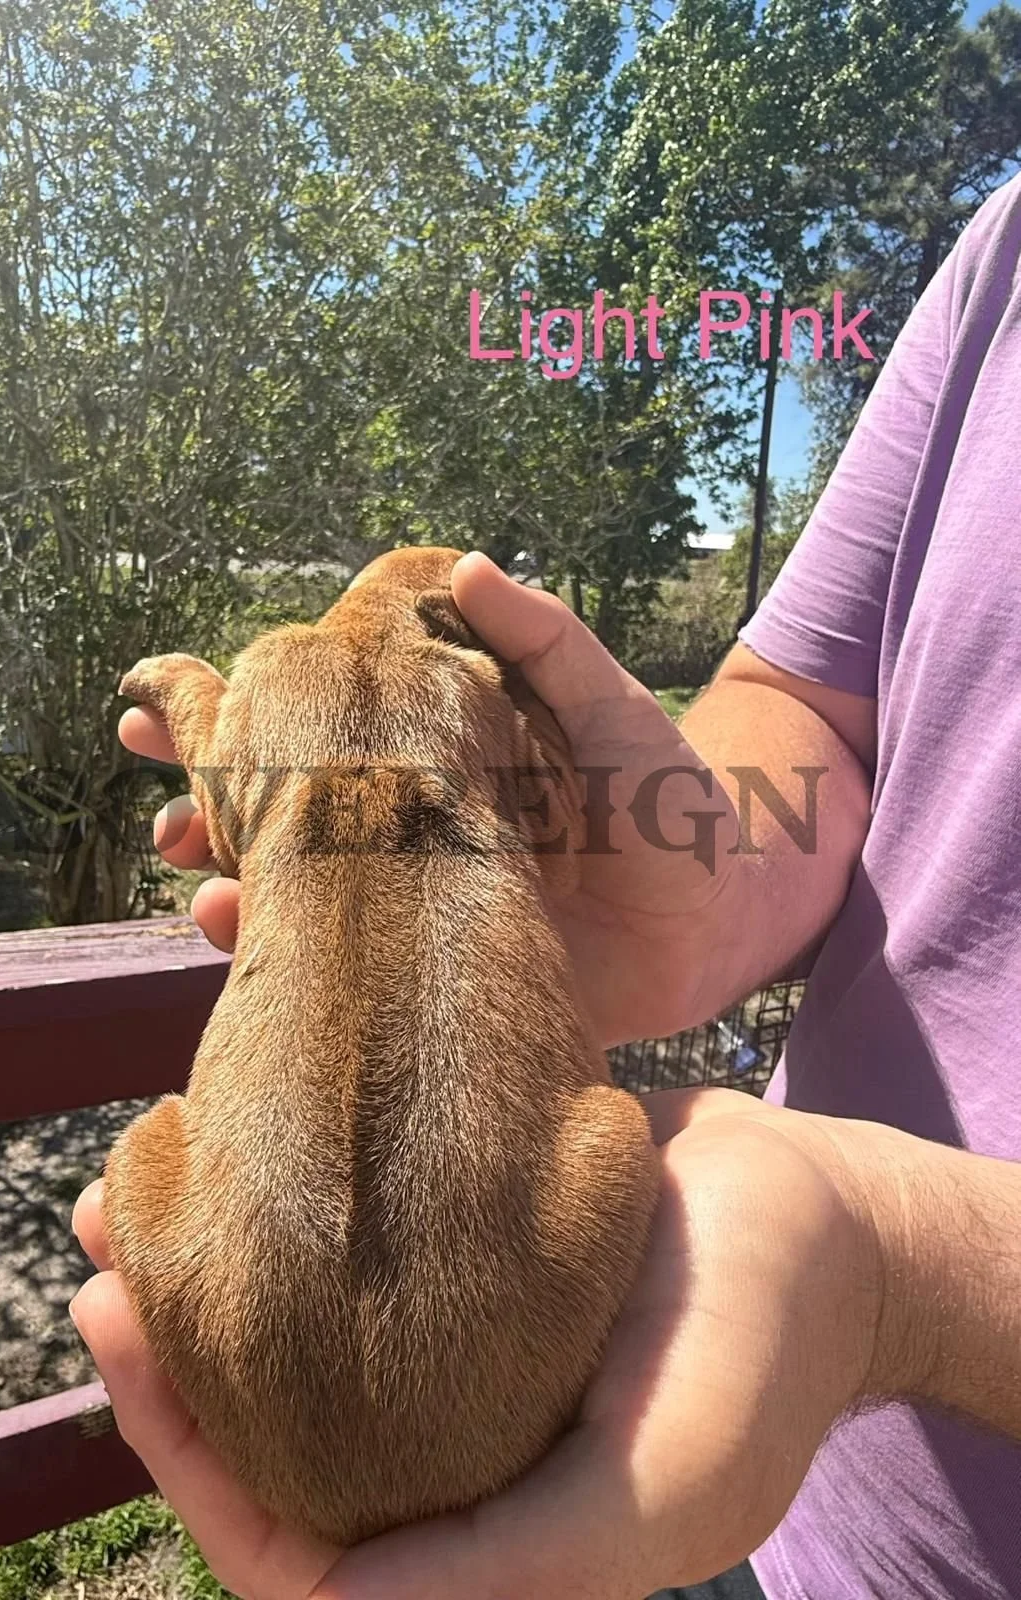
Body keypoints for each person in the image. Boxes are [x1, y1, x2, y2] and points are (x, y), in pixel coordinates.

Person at [69, 174, 1021, 1600]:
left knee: (154, 1170)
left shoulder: (256, 702)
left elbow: (207, 742)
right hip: (756, 1478)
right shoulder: (998, 249)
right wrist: (712, 884)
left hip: (745, 1358)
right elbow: (821, 703)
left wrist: (898, 1272)